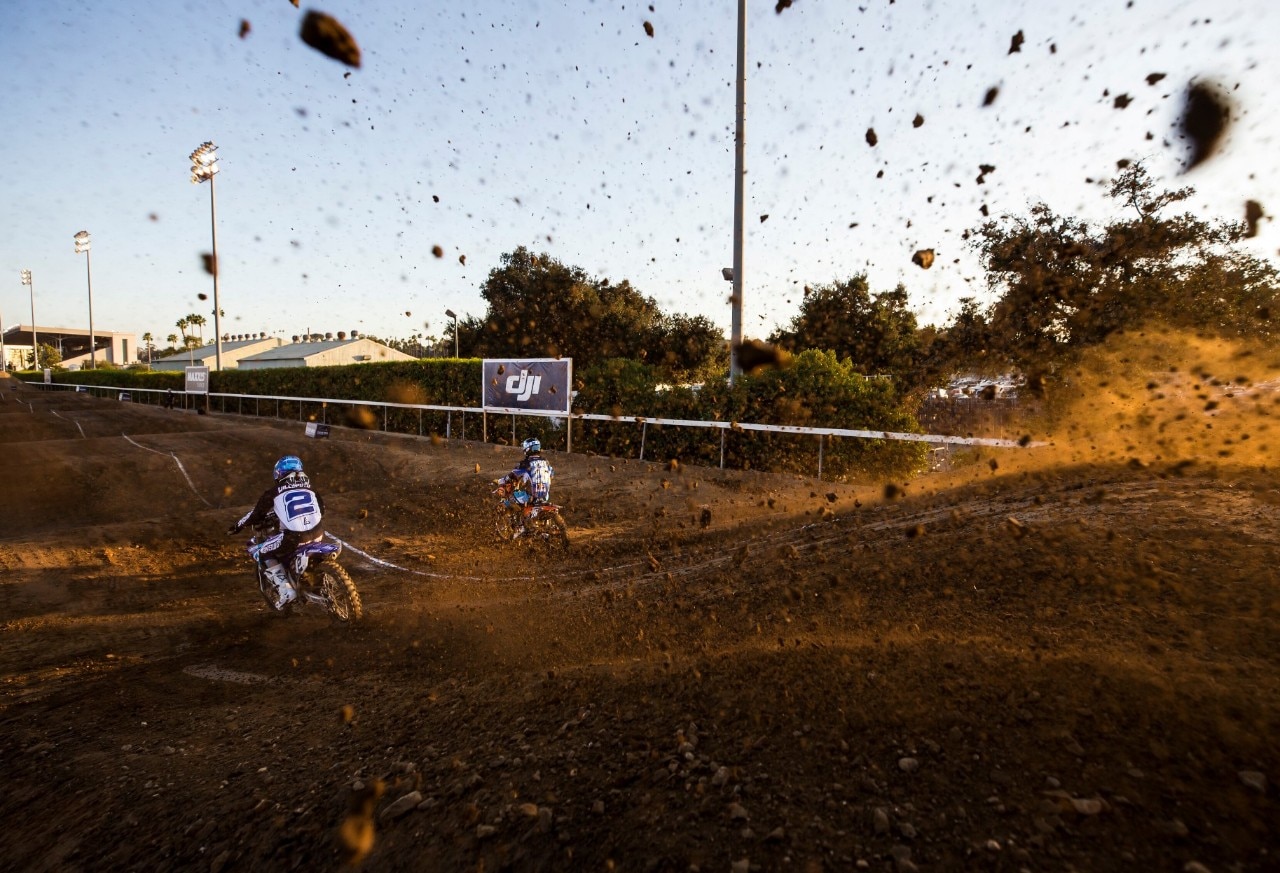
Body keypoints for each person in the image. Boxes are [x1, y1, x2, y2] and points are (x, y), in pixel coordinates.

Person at [228, 455, 325, 610]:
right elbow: (322, 509)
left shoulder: (273, 492)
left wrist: (238, 526)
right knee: (288, 542)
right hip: (319, 533)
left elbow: (256, 515)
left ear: (279, 473)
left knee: (262, 552)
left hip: (294, 538)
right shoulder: (311, 487)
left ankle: (286, 591)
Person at [495, 437, 554, 536]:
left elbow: (512, 475)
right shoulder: (546, 462)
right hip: (545, 497)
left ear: (527, 449)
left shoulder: (524, 463)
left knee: (510, 498)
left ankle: (520, 527)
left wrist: (501, 481)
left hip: (530, 497)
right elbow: (551, 475)